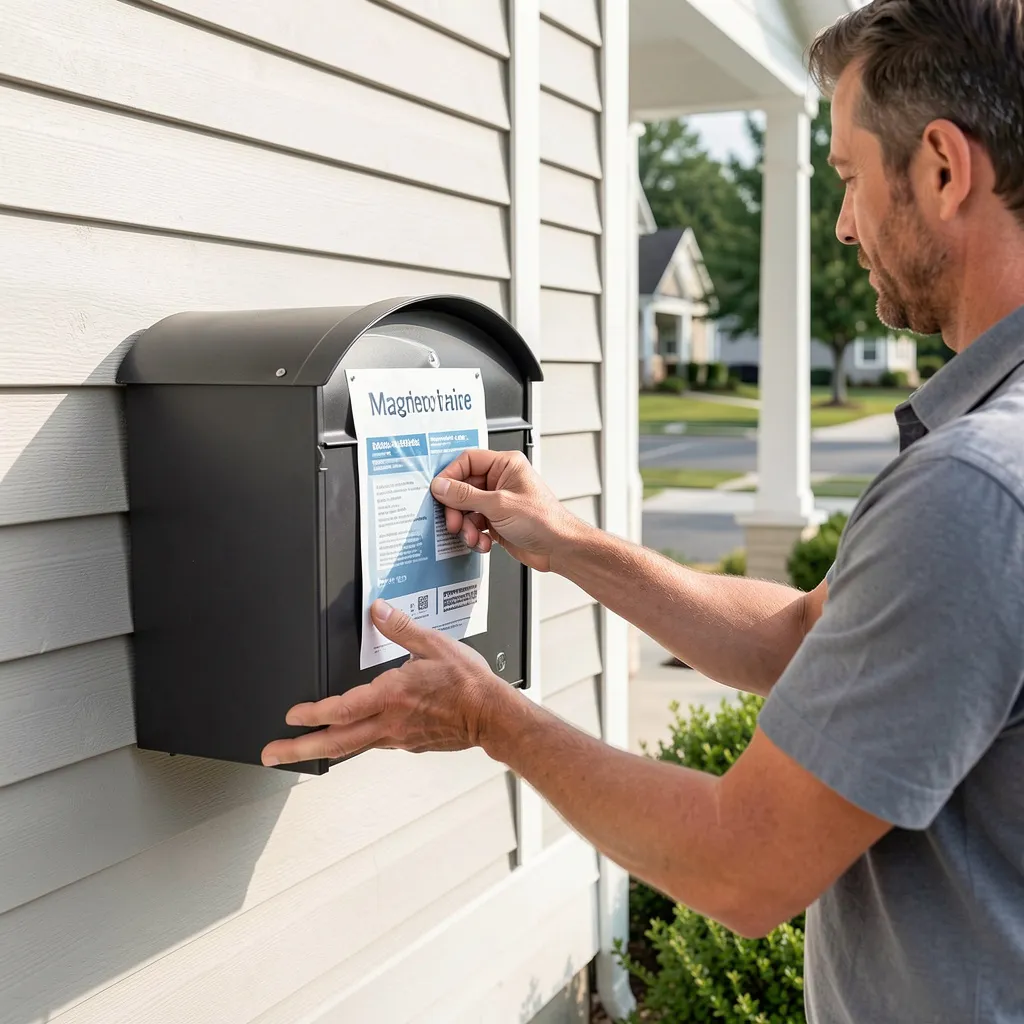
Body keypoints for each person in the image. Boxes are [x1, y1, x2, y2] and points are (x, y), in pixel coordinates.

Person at [263, 1, 1024, 1019]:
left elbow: (743, 864)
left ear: (939, 166)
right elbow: (811, 633)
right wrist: (570, 544)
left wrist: (490, 716)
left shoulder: (972, 486)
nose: (842, 222)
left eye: (847, 176)